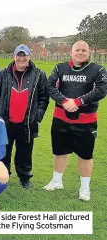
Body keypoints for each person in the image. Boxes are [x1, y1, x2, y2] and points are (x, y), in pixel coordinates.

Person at [43, 40, 107, 201]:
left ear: (89, 52)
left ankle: (85, 188)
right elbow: (50, 86)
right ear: (71, 52)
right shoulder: (60, 68)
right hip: (61, 118)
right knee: (59, 151)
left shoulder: (98, 69)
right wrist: (64, 101)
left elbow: (101, 90)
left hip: (86, 120)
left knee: (85, 155)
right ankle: (57, 180)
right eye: (77, 50)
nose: (80, 53)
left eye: (83, 50)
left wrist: (78, 102)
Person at [0, 44, 49, 189]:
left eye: (24, 55)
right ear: (14, 56)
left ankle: (25, 177)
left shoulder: (39, 74)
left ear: (30, 56)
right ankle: (2, 175)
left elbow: (44, 98)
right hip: (6, 121)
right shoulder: (3, 73)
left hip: (27, 123)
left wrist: (37, 116)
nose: (21, 58)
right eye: (19, 55)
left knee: (25, 152)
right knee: (4, 151)